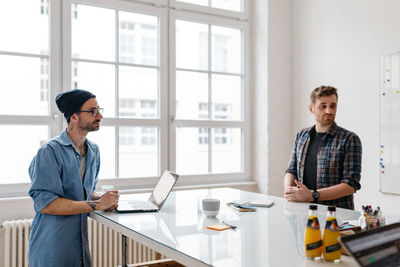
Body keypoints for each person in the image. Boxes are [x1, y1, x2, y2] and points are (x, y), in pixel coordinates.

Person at [28, 89, 120, 267]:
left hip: (80, 249)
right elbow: (46, 204)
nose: (99, 115)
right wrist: (97, 205)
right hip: (52, 249)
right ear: (74, 117)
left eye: (99, 110)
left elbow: (83, 192)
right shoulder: (49, 152)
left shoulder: (93, 151)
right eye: (92, 111)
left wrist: (102, 198)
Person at [284, 85, 362, 210]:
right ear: (311, 108)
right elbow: (292, 170)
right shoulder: (302, 136)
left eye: (333, 106)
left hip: (337, 216)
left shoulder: (350, 139)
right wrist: (288, 190)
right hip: (303, 212)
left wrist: (312, 195)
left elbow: (351, 184)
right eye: (323, 106)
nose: (329, 111)